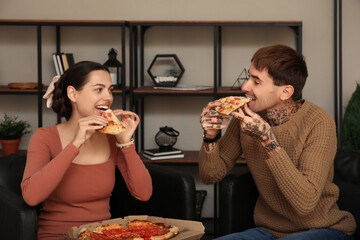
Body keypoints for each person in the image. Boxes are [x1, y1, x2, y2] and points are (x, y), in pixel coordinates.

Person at [199, 45, 356, 239]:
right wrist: (210, 136)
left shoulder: (319, 122)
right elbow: (210, 175)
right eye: (249, 77)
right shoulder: (246, 118)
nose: (245, 87)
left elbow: (305, 203)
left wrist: (267, 140)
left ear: (285, 92)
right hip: (268, 231)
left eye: (256, 82)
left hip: (322, 229)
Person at [21, 61, 153, 240]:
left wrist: (126, 143)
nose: (108, 97)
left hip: (103, 235)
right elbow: (31, 197)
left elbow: (144, 194)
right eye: (99, 89)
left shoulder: (112, 138)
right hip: (58, 235)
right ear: (73, 94)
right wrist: (76, 144)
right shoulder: (44, 137)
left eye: (110, 89)